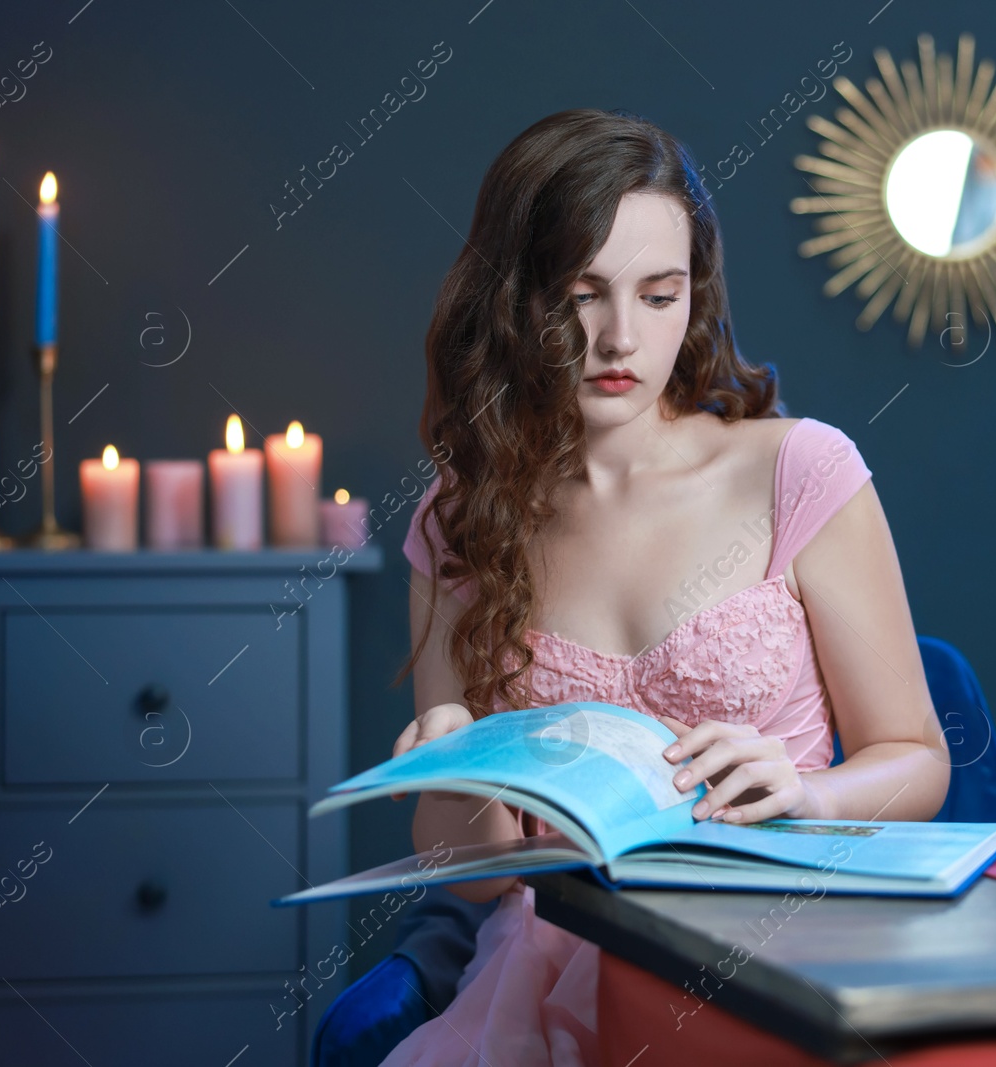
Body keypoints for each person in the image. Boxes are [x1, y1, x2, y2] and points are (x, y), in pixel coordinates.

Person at [381, 107, 949, 1067]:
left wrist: (807, 792)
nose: (616, 338)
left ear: (697, 295)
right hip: (556, 962)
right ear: (515, 299)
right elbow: (467, 870)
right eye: (581, 293)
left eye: (658, 294)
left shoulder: (798, 470)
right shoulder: (460, 517)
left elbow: (918, 758)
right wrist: (451, 770)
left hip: (784, 943)